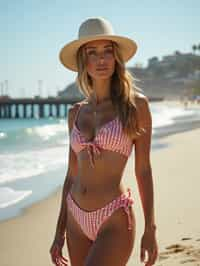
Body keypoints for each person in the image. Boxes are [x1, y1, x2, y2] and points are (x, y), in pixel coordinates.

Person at [50, 17, 158, 266]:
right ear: (82, 61)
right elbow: (71, 176)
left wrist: (150, 228)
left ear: (116, 57)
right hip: (75, 219)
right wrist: (59, 232)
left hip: (113, 218)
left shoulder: (135, 106)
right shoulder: (75, 113)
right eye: (92, 53)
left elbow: (143, 169)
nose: (101, 60)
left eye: (107, 52)